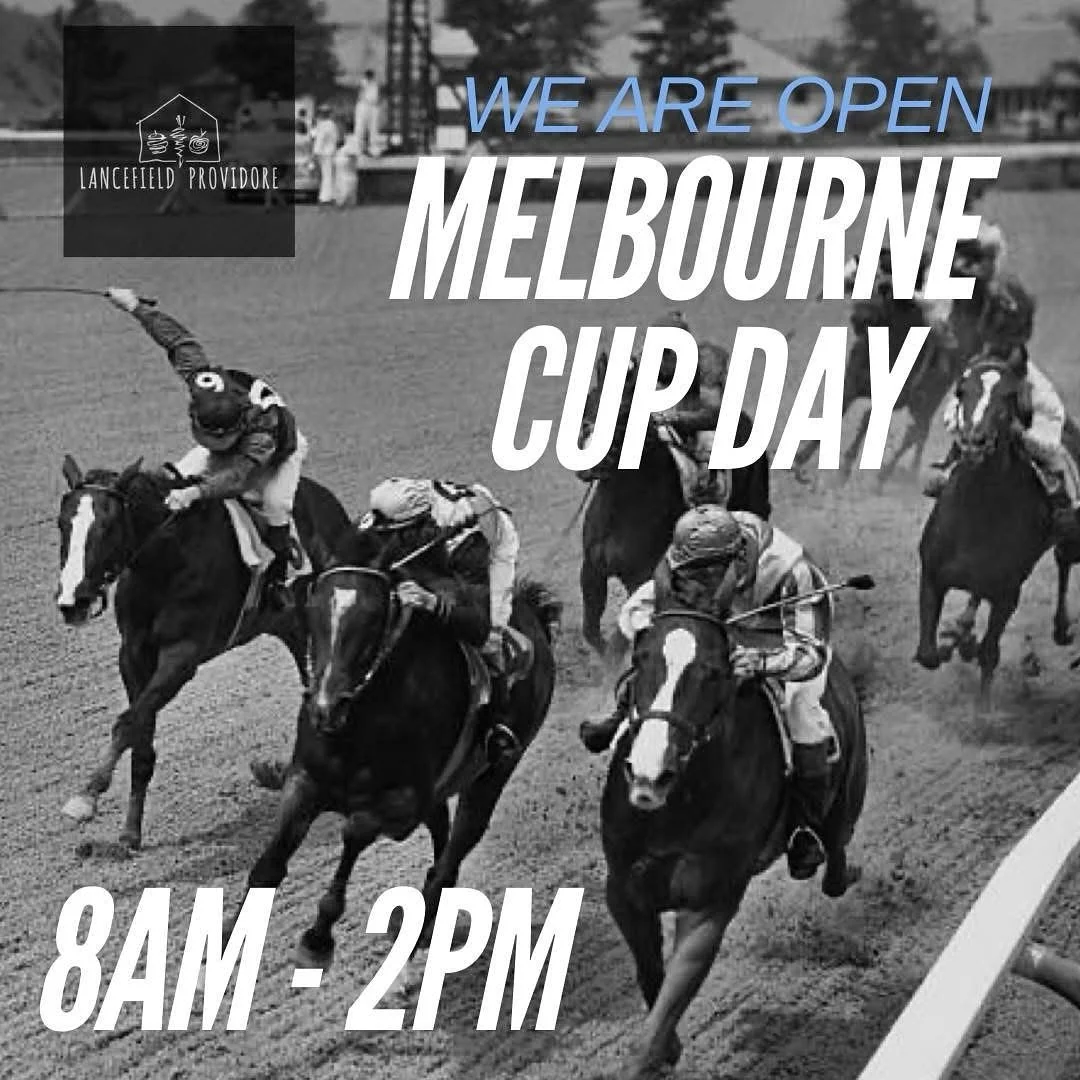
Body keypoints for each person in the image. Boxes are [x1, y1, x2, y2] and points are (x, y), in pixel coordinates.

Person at [579, 504, 838, 881]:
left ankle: (805, 826)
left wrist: (761, 661)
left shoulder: (792, 571)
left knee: (801, 707)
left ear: (736, 560)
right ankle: (618, 711)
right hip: (714, 625)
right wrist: (651, 628)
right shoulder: (683, 559)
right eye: (690, 574)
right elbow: (636, 612)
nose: (696, 582)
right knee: (667, 658)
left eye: (707, 575)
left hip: (777, 631)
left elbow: (811, 655)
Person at [105, 287, 307, 609]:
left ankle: (280, 574)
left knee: (275, 502)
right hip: (240, 439)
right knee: (175, 478)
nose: (212, 446)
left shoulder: (262, 435)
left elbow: (238, 477)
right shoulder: (203, 383)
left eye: (219, 441)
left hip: (279, 454)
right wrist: (133, 306)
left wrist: (195, 492)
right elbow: (178, 341)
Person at [364, 477, 523, 765]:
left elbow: (477, 626)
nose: (385, 542)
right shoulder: (389, 512)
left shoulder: (468, 548)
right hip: (443, 519)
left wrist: (432, 602)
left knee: (491, 640)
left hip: (491, 539)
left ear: (417, 527)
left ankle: (498, 724)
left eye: (392, 536)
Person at [922, 276, 1080, 539]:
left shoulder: (1035, 386)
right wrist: (963, 429)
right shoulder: (978, 366)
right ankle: (951, 468)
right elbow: (954, 410)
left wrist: (1023, 435)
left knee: (1057, 458)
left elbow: (1051, 439)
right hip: (979, 425)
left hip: (1029, 427)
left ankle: (1065, 507)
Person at [650, 310, 731, 505]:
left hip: (696, 426)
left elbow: (713, 414)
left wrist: (677, 418)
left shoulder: (707, 365)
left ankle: (708, 494)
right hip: (658, 421)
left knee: (709, 447)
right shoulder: (643, 361)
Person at [311, 104, 340, 206]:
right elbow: (337, 139)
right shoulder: (332, 124)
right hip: (331, 153)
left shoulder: (323, 125)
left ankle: (325, 198)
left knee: (327, 175)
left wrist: (315, 153)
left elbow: (319, 140)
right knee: (330, 175)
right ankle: (331, 196)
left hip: (324, 154)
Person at [354, 70, 380, 157]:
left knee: (373, 128)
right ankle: (358, 147)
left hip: (373, 106)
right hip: (364, 104)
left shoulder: (375, 84)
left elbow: (377, 96)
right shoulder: (363, 82)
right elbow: (360, 91)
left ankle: (373, 147)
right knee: (360, 127)